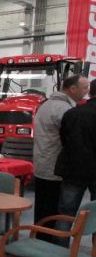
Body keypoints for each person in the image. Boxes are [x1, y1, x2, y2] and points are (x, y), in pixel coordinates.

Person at [32, 74, 89, 239]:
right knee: (54, 212)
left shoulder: (47, 104)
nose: (87, 92)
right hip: (55, 168)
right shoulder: (65, 110)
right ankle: (49, 249)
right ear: (72, 89)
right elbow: (70, 141)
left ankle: (39, 242)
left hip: (43, 164)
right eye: (84, 88)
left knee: (42, 210)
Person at [54, 78, 96, 246]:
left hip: (73, 169)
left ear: (90, 92)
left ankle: (59, 250)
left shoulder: (72, 113)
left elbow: (64, 139)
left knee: (66, 212)